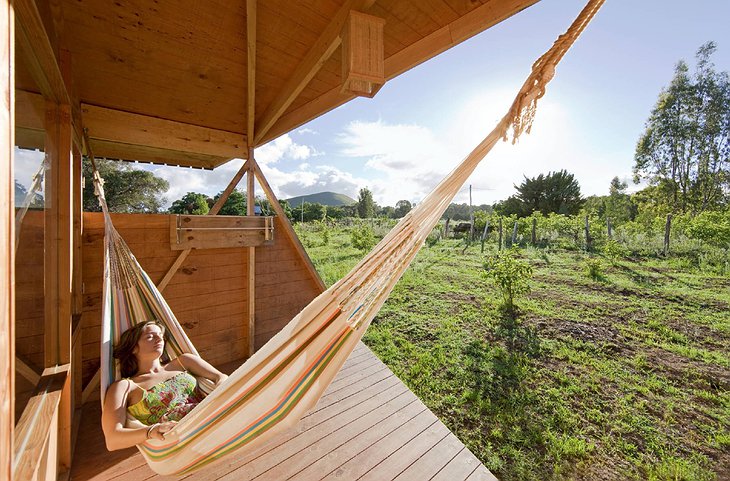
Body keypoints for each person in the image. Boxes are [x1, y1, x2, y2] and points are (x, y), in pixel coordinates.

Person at [101, 320, 228, 450]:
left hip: (213, 417)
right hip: (179, 441)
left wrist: (222, 390)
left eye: (160, 336)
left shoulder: (184, 361)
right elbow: (112, 439)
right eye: (150, 337)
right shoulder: (125, 386)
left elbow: (220, 377)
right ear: (133, 348)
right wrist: (151, 431)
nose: (159, 339)